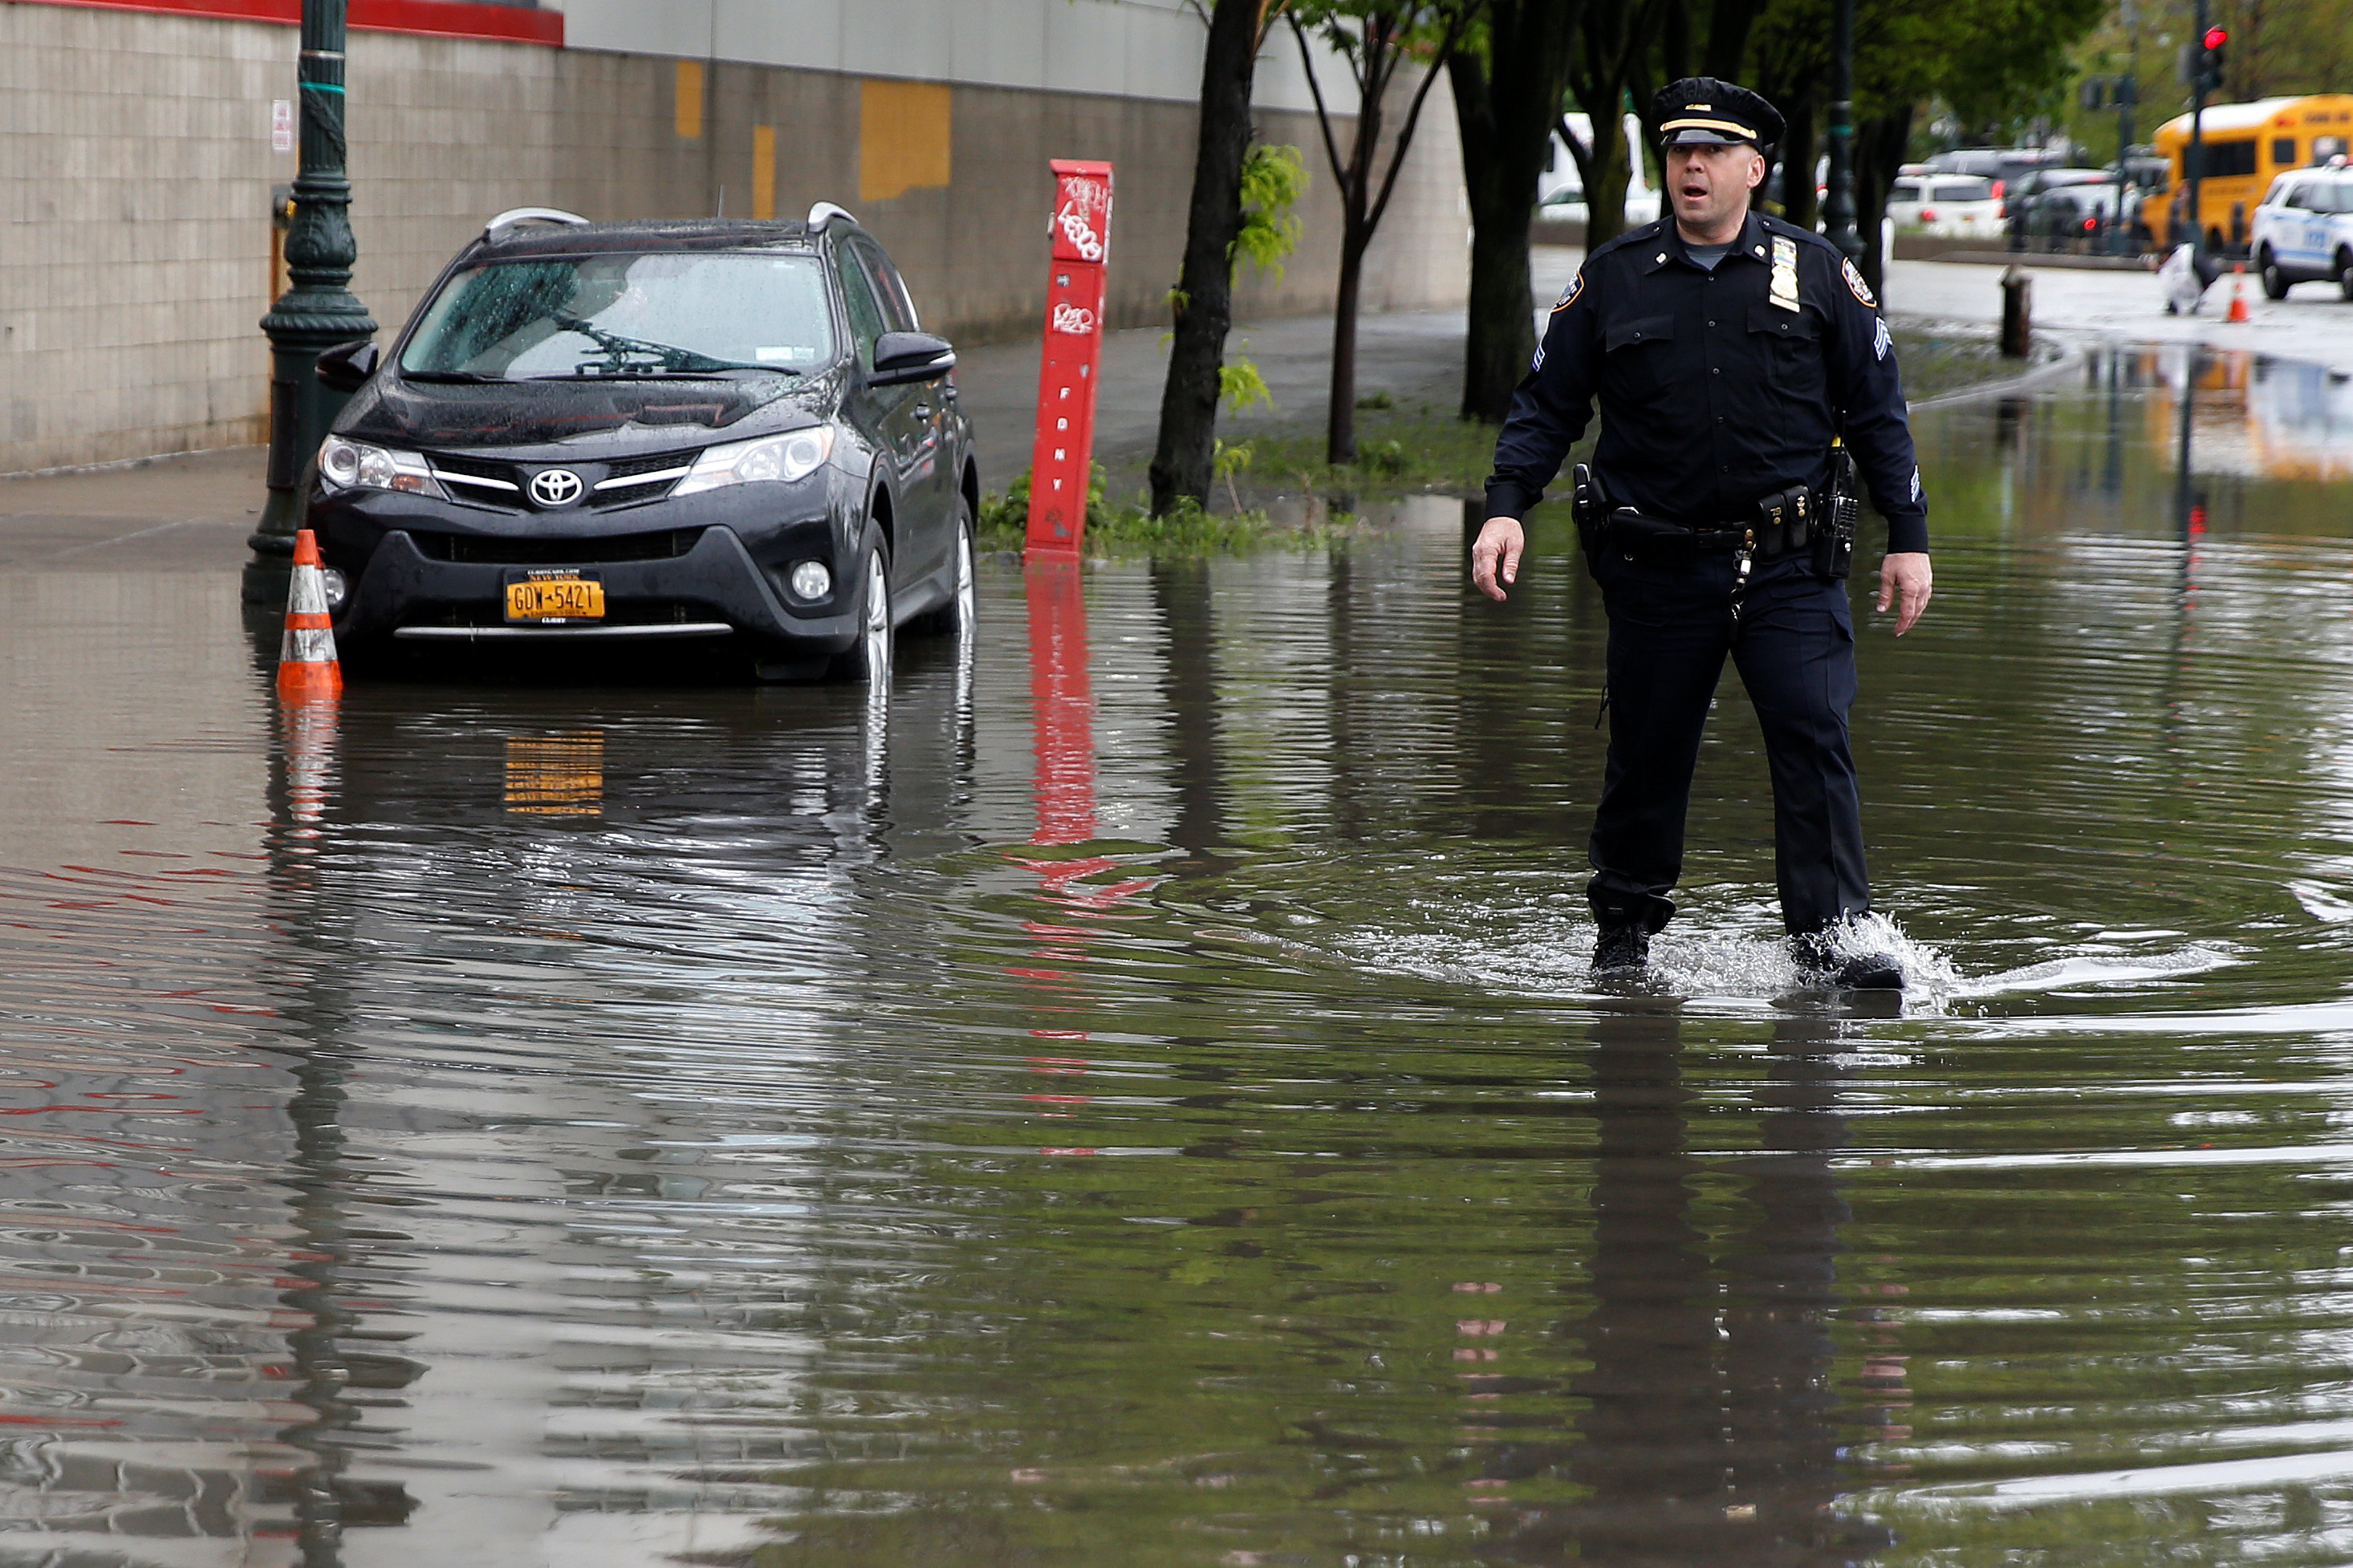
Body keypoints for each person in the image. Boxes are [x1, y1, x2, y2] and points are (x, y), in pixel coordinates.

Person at [1469, 76, 1932, 989]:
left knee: (1811, 735)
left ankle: (1835, 942)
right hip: (1657, 563)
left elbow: (1878, 409)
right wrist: (1503, 507)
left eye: (1712, 153)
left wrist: (1907, 534)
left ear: (1753, 170)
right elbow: (1544, 405)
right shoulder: (1611, 277)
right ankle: (1624, 938)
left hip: (1789, 565)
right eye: (1679, 151)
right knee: (1647, 753)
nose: (1691, 167)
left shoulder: (1818, 273)